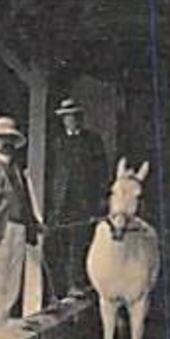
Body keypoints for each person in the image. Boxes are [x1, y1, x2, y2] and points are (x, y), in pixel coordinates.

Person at [0, 114, 40, 334]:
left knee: (13, 282)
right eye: (1, 138)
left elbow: (25, 199)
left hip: (18, 227)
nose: (6, 143)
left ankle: (2, 324)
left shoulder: (16, 168)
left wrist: (33, 223)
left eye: (10, 139)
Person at [44, 97, 109, 297]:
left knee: (80, 242)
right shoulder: (56, 142)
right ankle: (61, 288)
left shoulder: (92, 140)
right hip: (61, 202)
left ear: (79, 118)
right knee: (60, 243)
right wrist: (50, 203)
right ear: (62, 120)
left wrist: (99, 200)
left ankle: (77, 283)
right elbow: (50, 172)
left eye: (73, 116)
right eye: (66, 117)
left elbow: (101, 172)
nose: (70, 120)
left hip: (84, 201)